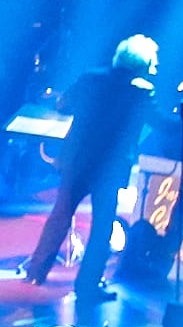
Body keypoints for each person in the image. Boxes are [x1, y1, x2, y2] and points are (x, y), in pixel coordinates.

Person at [21, 33, 158, 300]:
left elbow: (63, 106)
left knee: (60, 216)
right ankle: (87, 286)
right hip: (109, 167)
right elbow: (160, 123)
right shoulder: (140, 91)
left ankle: (36, 272)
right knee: (102, 226)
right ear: (143, 62)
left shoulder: (92, 78)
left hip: (78, 159)